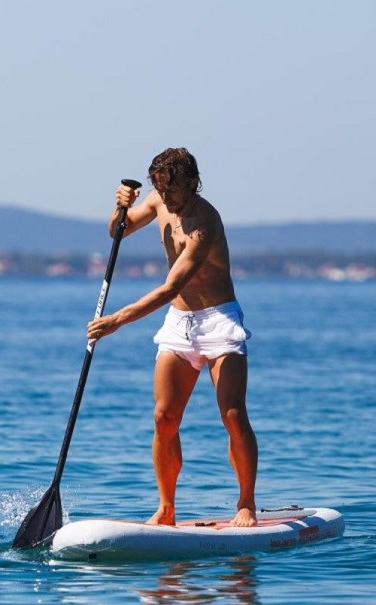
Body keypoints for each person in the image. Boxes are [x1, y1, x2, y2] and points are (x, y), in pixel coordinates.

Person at [86, 147, 259, 527]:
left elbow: (170, 286)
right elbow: (121, 229)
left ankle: (246, 502)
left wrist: (118, 319)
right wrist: (118, 207)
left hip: (218, 320)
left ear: (193, 183)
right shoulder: (159, 198)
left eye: (174, 192)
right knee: (164, 418)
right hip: (180, 322)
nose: (166, 200)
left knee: (232, 414)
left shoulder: (205, 223)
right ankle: (166, 508)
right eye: (161, 191)